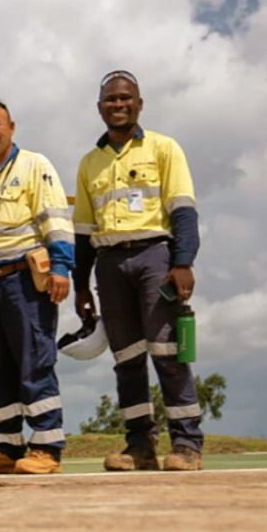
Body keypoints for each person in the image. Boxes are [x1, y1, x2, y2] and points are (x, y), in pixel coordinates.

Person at [73, 70, 204, 472]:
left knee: (168, 351)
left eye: (125, 98)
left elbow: (183, 211)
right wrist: (82, 286)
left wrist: (183, 263)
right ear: (99, 108)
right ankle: (140, 445)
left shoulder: (164, 148)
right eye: (110, 100)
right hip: (110, 264)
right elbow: (83, 233)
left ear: (139, 104)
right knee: (126, 357)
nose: (118, 105)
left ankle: (187, 444)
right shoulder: (89, 163)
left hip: (155, 258)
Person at [0, 100, 73, 476]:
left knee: (34, 361)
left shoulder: (35, 166)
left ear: (11, 127)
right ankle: (6, 448)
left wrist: (61, 267)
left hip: (24, 282)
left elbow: (55, 218)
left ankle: (47, 447)